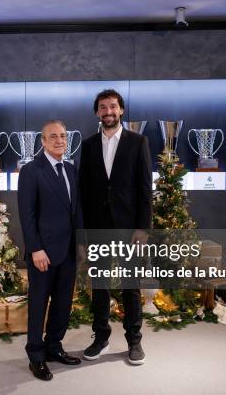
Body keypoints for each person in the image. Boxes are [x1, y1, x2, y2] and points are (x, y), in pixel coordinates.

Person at [78, 89, 152, 365]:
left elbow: (145, 188)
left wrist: (143, 228)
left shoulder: (138, 142)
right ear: (97, 112)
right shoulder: (87, 145)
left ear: (121, 110)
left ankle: (134, 341)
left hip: (129, 228)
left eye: (113, 107)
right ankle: (101, 338)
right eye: (102, 108)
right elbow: (84, 192)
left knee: (130, 286)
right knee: (100, 285)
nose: (108, 112)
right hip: (98, 227)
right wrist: (83, 235)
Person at [18, 120, 83, 381]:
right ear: (42, 142)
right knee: (38, 304)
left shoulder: (71, 169)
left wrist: (81, 243)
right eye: (53, 136)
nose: (59, 140)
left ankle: (54, 346)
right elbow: (27, 214)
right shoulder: (31, 170)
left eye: (63, 136)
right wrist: (35, 249)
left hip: (68, 251)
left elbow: (75, 210)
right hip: (43, 253)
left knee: (63, 304)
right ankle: (36, 355)